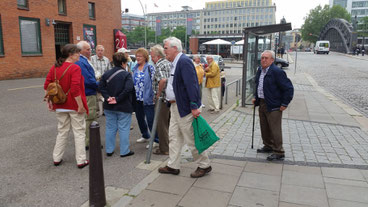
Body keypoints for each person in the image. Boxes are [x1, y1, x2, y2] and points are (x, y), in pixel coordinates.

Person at [158, 37, 212, 178]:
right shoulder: (175, 62)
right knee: (174, 137)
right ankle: (173, 165)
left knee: (191, 139)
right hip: (175, 106)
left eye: (166, 48)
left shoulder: (184, 62)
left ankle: (204, 165)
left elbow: (192, 85)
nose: (164, 51)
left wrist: (194, 106)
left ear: (175, 48)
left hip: (185, 108)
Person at [43, 44, 89, 168]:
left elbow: (47, 85)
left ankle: (56, 157)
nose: (79, 55)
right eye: (77, 53)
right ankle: (81, 160)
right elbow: (75, 89)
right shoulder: (75, 68)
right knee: (79, 132)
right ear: (71, 54)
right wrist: (80, 105)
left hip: (59, 104)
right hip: (73, 105)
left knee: (62, 131)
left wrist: (50, 102)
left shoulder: (55, 67)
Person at [252, 50, 294, 161]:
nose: (264, 60)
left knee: (275, 129)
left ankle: (279, 151)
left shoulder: (277, 72)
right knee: (264, 127)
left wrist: (285, 103)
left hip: (274, 104)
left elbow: (288, 88)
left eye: (266, 58)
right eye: (262, 58)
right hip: (262, 102)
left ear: (272, 60)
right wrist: (256, 97)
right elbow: (258, 85)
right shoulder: (260, 70)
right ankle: (268, 146)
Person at [98, 52, 135, 157]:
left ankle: (109, 150)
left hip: (109, 105)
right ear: (123, 63)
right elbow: (128, 89)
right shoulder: (126, 74)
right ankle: (124, 151)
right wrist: (117, 99)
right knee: (124, 128)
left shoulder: (106, 74)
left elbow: (101, 87)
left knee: (110, 127)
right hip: (123, 105)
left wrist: (108, 97)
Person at [132, 48, 158, 146]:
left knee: (150, 119)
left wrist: (154, 95)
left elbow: (154, 83)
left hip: (148, 98)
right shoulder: (135, 68)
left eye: (140, 56)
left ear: (145, 57)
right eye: (137, 56)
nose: (137, 58)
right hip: (137, 98)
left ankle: (155, 139)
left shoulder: (149, 68)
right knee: (139, 118)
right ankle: (145, 135)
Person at [75, 41, 99, 150]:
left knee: (90, 117)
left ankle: (89, 140)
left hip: (89, 92)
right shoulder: (81, 62)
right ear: (80, 50)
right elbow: (87, 80)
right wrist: (100, 85)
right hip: (88, 93)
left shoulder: (83, 60)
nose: (90, 51)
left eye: (90, 49)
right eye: (87, 49)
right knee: (89, 118)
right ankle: (88, 142)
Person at [150, 45, 171, 155]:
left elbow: (162, 80)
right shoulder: (168, 62)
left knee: (161, 124)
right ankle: (169, 146)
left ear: (157, 56)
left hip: (162, 99)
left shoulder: (159, 64)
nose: (151, 59)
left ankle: (164, 148)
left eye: (152, 56)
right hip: (169, 98)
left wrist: (158, 94)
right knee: (168, 124)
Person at [91, 45, 111, 117]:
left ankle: (104, 111)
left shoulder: (106, 60)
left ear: (104, 51)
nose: (100, 52)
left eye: (101, 50)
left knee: (104, 96)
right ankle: (96, 111)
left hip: (104, 82)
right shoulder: (91, 59)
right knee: (96, 97)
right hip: (95, 81)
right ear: (96, 51)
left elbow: (109, 71)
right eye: (98, 50)